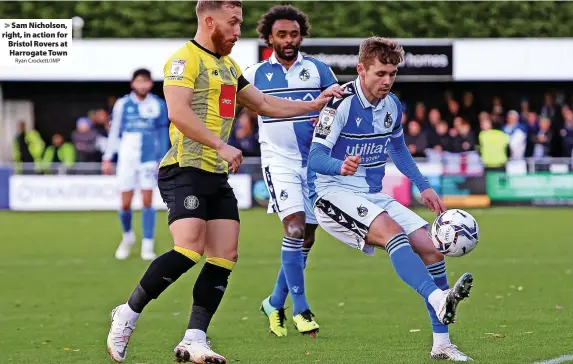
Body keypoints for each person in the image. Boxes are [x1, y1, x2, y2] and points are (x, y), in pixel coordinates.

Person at [106, 1, 342, 363]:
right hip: (184, 168)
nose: (237, 31)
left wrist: (315, 105)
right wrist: (220, 143)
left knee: (224, 255)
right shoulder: (185, 59)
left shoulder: (230, 67)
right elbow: (178, 113)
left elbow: (264, 104)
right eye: (233, 23)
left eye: (240, 23)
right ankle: (127, 314)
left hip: (215, 174)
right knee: (188, 248)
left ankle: (195, 338)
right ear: (210, 21)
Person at [307, 37, 474, 361]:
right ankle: (439, 299)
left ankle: (441, 344)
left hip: (371, 195)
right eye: (380, 73)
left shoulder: (392, 106)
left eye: (392, 74)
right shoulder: (338, 104)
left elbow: (397, 148)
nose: (386, 81)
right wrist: (339, 166)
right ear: (361, 70)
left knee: (431, 247)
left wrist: (422, 185)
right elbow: (315, 157)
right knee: (394, 234)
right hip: (332, 193)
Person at [242, 4, 338, 338]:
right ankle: (301, 310)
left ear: (301, 36)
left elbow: (338, 112)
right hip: (278, 161)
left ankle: (274, 302)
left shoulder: (318, 70)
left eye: (294, 34)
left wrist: (325, 119)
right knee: (294, 229)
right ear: (269, 37)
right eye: (281, 34)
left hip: (314, 164)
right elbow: (228, 110)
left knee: (307, 236)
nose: (288, 40)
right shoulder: (253, 74)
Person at [102, 68, 170, 261]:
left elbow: (163, 133)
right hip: (127, 158)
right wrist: (108, 157)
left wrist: (162, 158)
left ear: (150, 84)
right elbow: (115, 131)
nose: (142, 85)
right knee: (125, 203)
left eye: (146, 82)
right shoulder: (123, 104)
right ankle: (128, 237)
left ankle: (147, 244)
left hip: (148, 158)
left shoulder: (158, 105)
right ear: (133, 84)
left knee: (148, 201)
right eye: (139, 81)